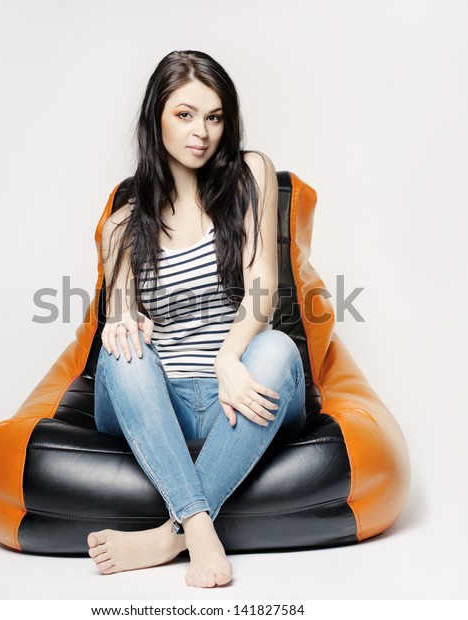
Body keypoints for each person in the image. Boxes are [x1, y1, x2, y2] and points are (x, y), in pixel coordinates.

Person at [88, 50, 307, 589]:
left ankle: (174, 535)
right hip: (160, 408)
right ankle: (198, 528)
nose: (201, 132)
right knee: (122, 350)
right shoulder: (124, 225)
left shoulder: (250, 174)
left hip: (239, 397)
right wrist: (123, 320)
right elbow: (118, 311)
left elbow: (262, 288)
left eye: (214, 117)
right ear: (156, 117)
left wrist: (230, 356)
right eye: (184, 114)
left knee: (278, 349)